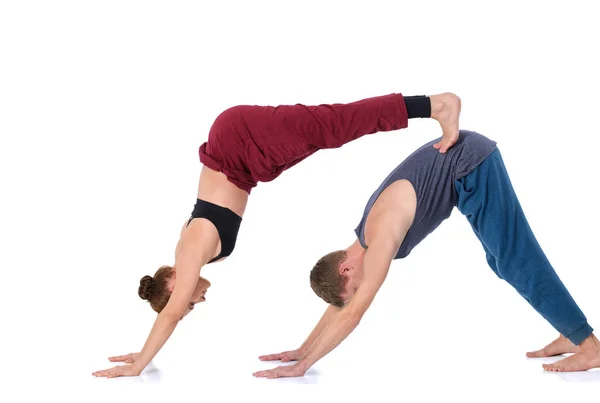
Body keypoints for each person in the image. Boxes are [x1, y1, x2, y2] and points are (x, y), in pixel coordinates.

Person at [92, 91, 462, 378]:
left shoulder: (190, 254)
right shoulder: (188, 252)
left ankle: (435, 105)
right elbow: (170, 310)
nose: (196, 302)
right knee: (328, 133)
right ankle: (430, 106)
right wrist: (304, 349)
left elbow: (170, 315)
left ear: (174, 286)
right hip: (252, 163)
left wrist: (140, 361)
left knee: (332, 125)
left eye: (189, 302)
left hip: (239, 142)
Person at [254, 130, 600, 379]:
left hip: (472, 166)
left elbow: (353, 313)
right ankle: (571, 331)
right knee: (502, 262)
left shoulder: (380, 238)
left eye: (354, 287)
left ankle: (589, 347)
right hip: (467, 169)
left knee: (514, 258)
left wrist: (304, 367)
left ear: (345, 269)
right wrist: (303, 347)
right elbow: (342, 305)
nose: (362, 288)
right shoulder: (361, 242)